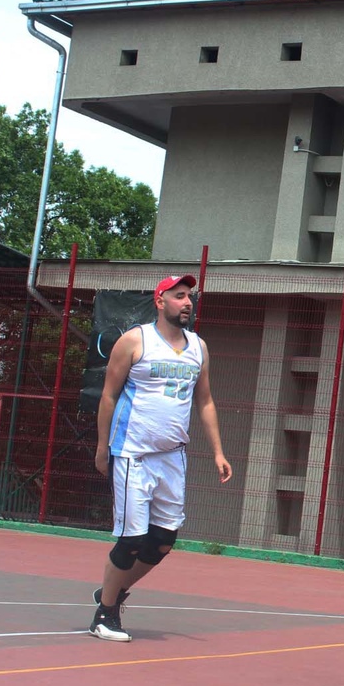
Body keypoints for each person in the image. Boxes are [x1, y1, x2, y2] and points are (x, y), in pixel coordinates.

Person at [90, 274, 232, 642]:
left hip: (172, 457)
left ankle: (112, 590)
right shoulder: (135, 341)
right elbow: (108, 396)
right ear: (160, 301)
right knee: (132, 539)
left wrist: (218, 451)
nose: (187, 302)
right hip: (133, 453)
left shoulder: (198, 347)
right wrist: (103, 447)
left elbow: (205, 400)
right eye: (179, 295)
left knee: (163, 540)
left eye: (190, 297)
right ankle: (105, 615)